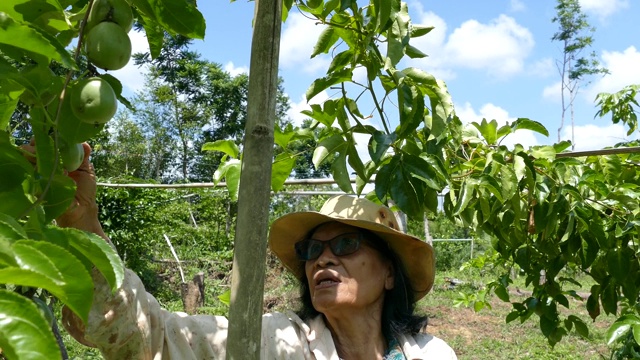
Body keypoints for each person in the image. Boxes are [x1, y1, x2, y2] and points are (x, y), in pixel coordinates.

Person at [56, 144, 457, 359]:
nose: (323, 258)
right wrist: (83, 223)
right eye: (312, 249)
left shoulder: (432, 356)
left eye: (347, 244)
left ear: (390, 273)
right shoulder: (276, 342)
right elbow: (153, 337)